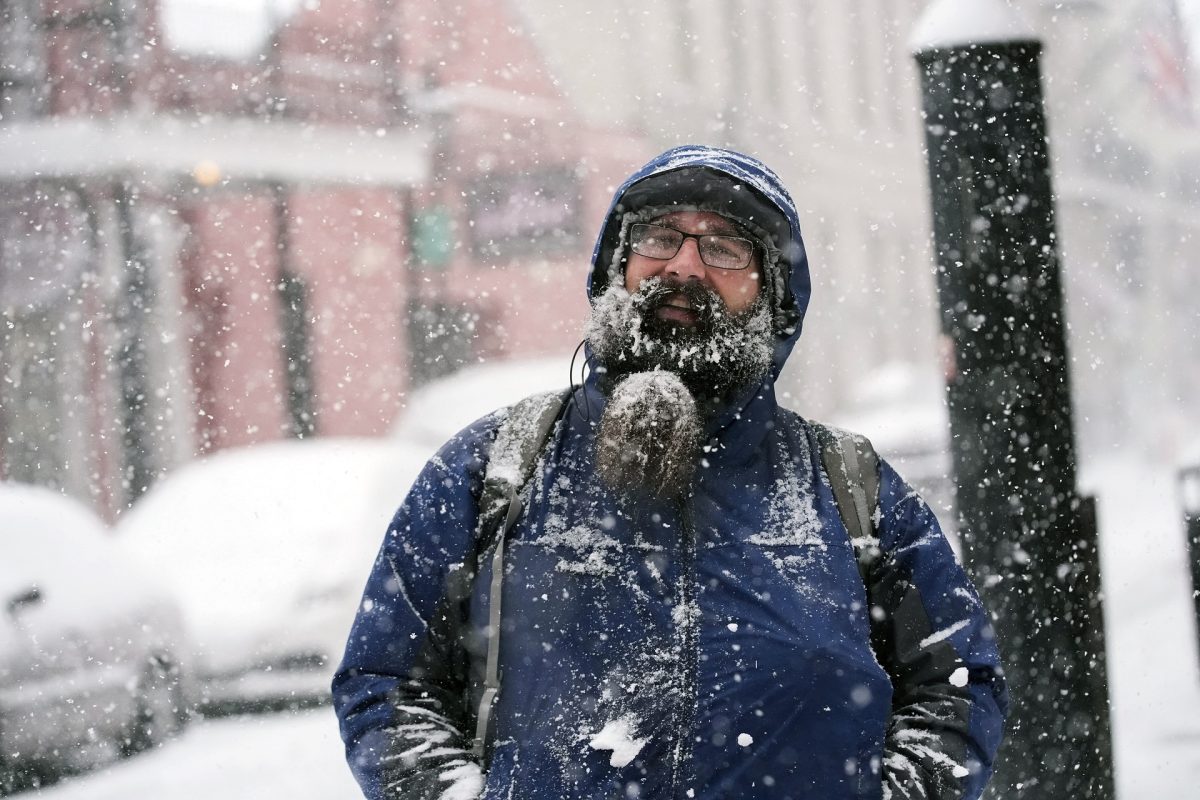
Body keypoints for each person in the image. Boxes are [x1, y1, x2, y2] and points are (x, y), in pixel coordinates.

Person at [333, 146, 1008, 800]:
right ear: (615, 268)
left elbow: (957, 683)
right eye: (659, 237)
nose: (683, 266)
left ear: (772, 296)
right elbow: (386, 683)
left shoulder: (850, 488)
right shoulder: (493, 469)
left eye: (725, 247)